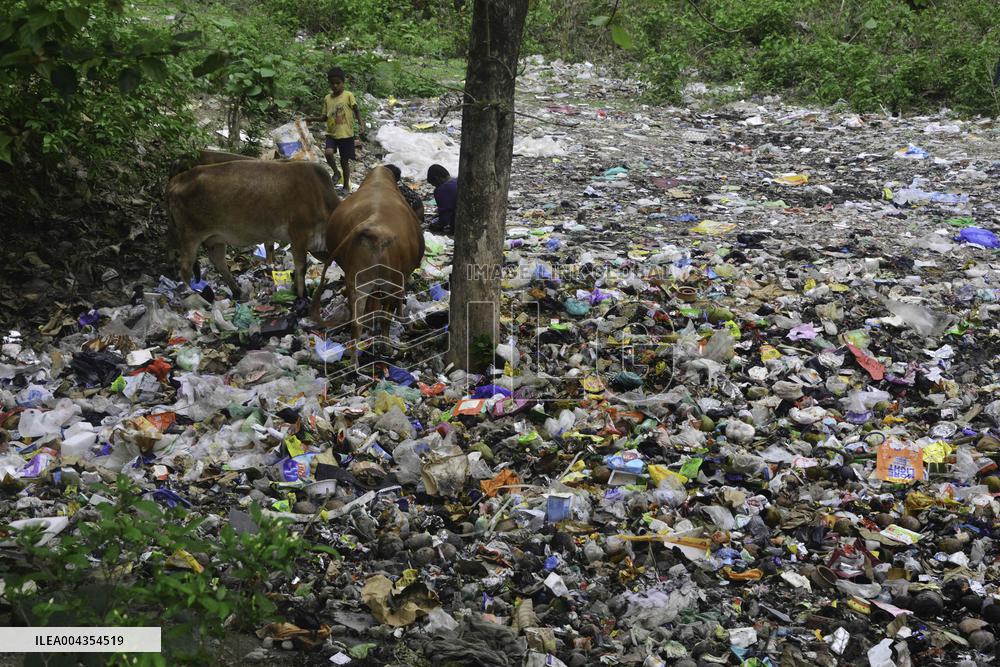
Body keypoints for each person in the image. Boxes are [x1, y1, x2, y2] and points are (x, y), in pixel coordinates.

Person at [306, 67, 365, 192]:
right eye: (332, 83)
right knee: (328, 153)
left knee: (344, 161)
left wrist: (361, 124)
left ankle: (346, 186)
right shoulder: (328, 98)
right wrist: (312, 118)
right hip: (331, 133)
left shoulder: (348, 95)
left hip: (346, 134)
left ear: (343, 82)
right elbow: (324, 117)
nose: (335, 86)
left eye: (338, 83)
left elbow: (356, 110)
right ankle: (336, 172)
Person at [426, 163, 457, 235]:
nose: (435, 187)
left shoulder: (441, 189)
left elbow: (444, 220)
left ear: (437, 179)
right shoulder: (457, 181)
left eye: (433, 184)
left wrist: (435, 225)